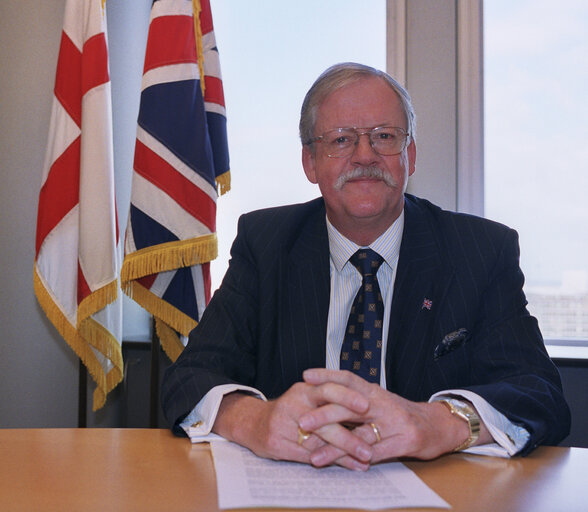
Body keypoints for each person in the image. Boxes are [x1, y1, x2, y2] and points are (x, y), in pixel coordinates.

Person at [161, 62, 570, 471]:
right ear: (311, 162)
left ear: (409, 155)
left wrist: (440, 424)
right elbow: (190, 376)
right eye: (340, 140)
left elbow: (538, 394)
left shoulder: (479, 251)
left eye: (384, 137)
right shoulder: (266, 244)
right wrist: (253, 421)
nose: (365, 155)